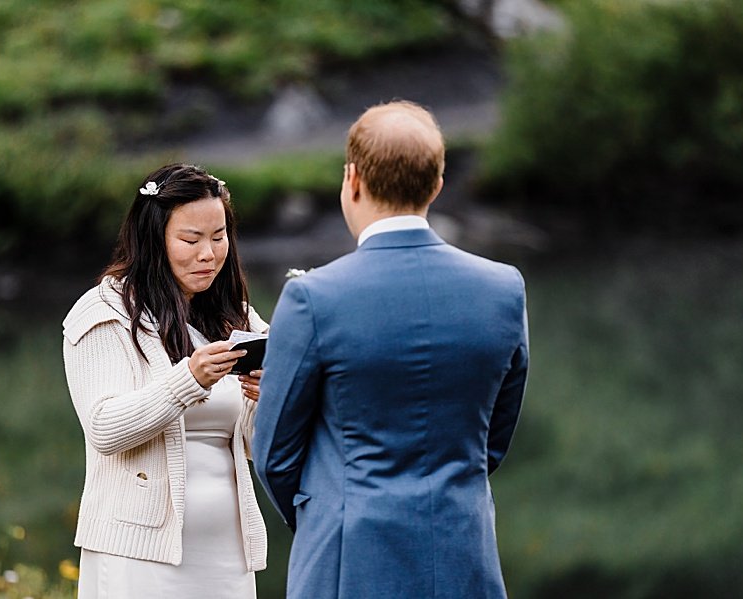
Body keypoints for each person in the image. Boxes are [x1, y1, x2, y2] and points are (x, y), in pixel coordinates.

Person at [252, 100, 530, 598]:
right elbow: (493, 438)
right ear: (437, 185)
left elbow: (275, 455)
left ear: (352, 179)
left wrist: (327, 516)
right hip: (463, 553)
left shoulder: (314, 297)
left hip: (348, 561)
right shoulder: (503, 288)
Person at [60, 163, 269, 598]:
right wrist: (189, 379)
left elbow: (254, 446)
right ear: (154, 240)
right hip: (139, 554)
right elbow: (104, 428)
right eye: (190, 240)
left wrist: (267, 398)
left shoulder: (237, 315)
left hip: (226, 550)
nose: (208, 254)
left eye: (218, 237)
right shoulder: (105, 312)